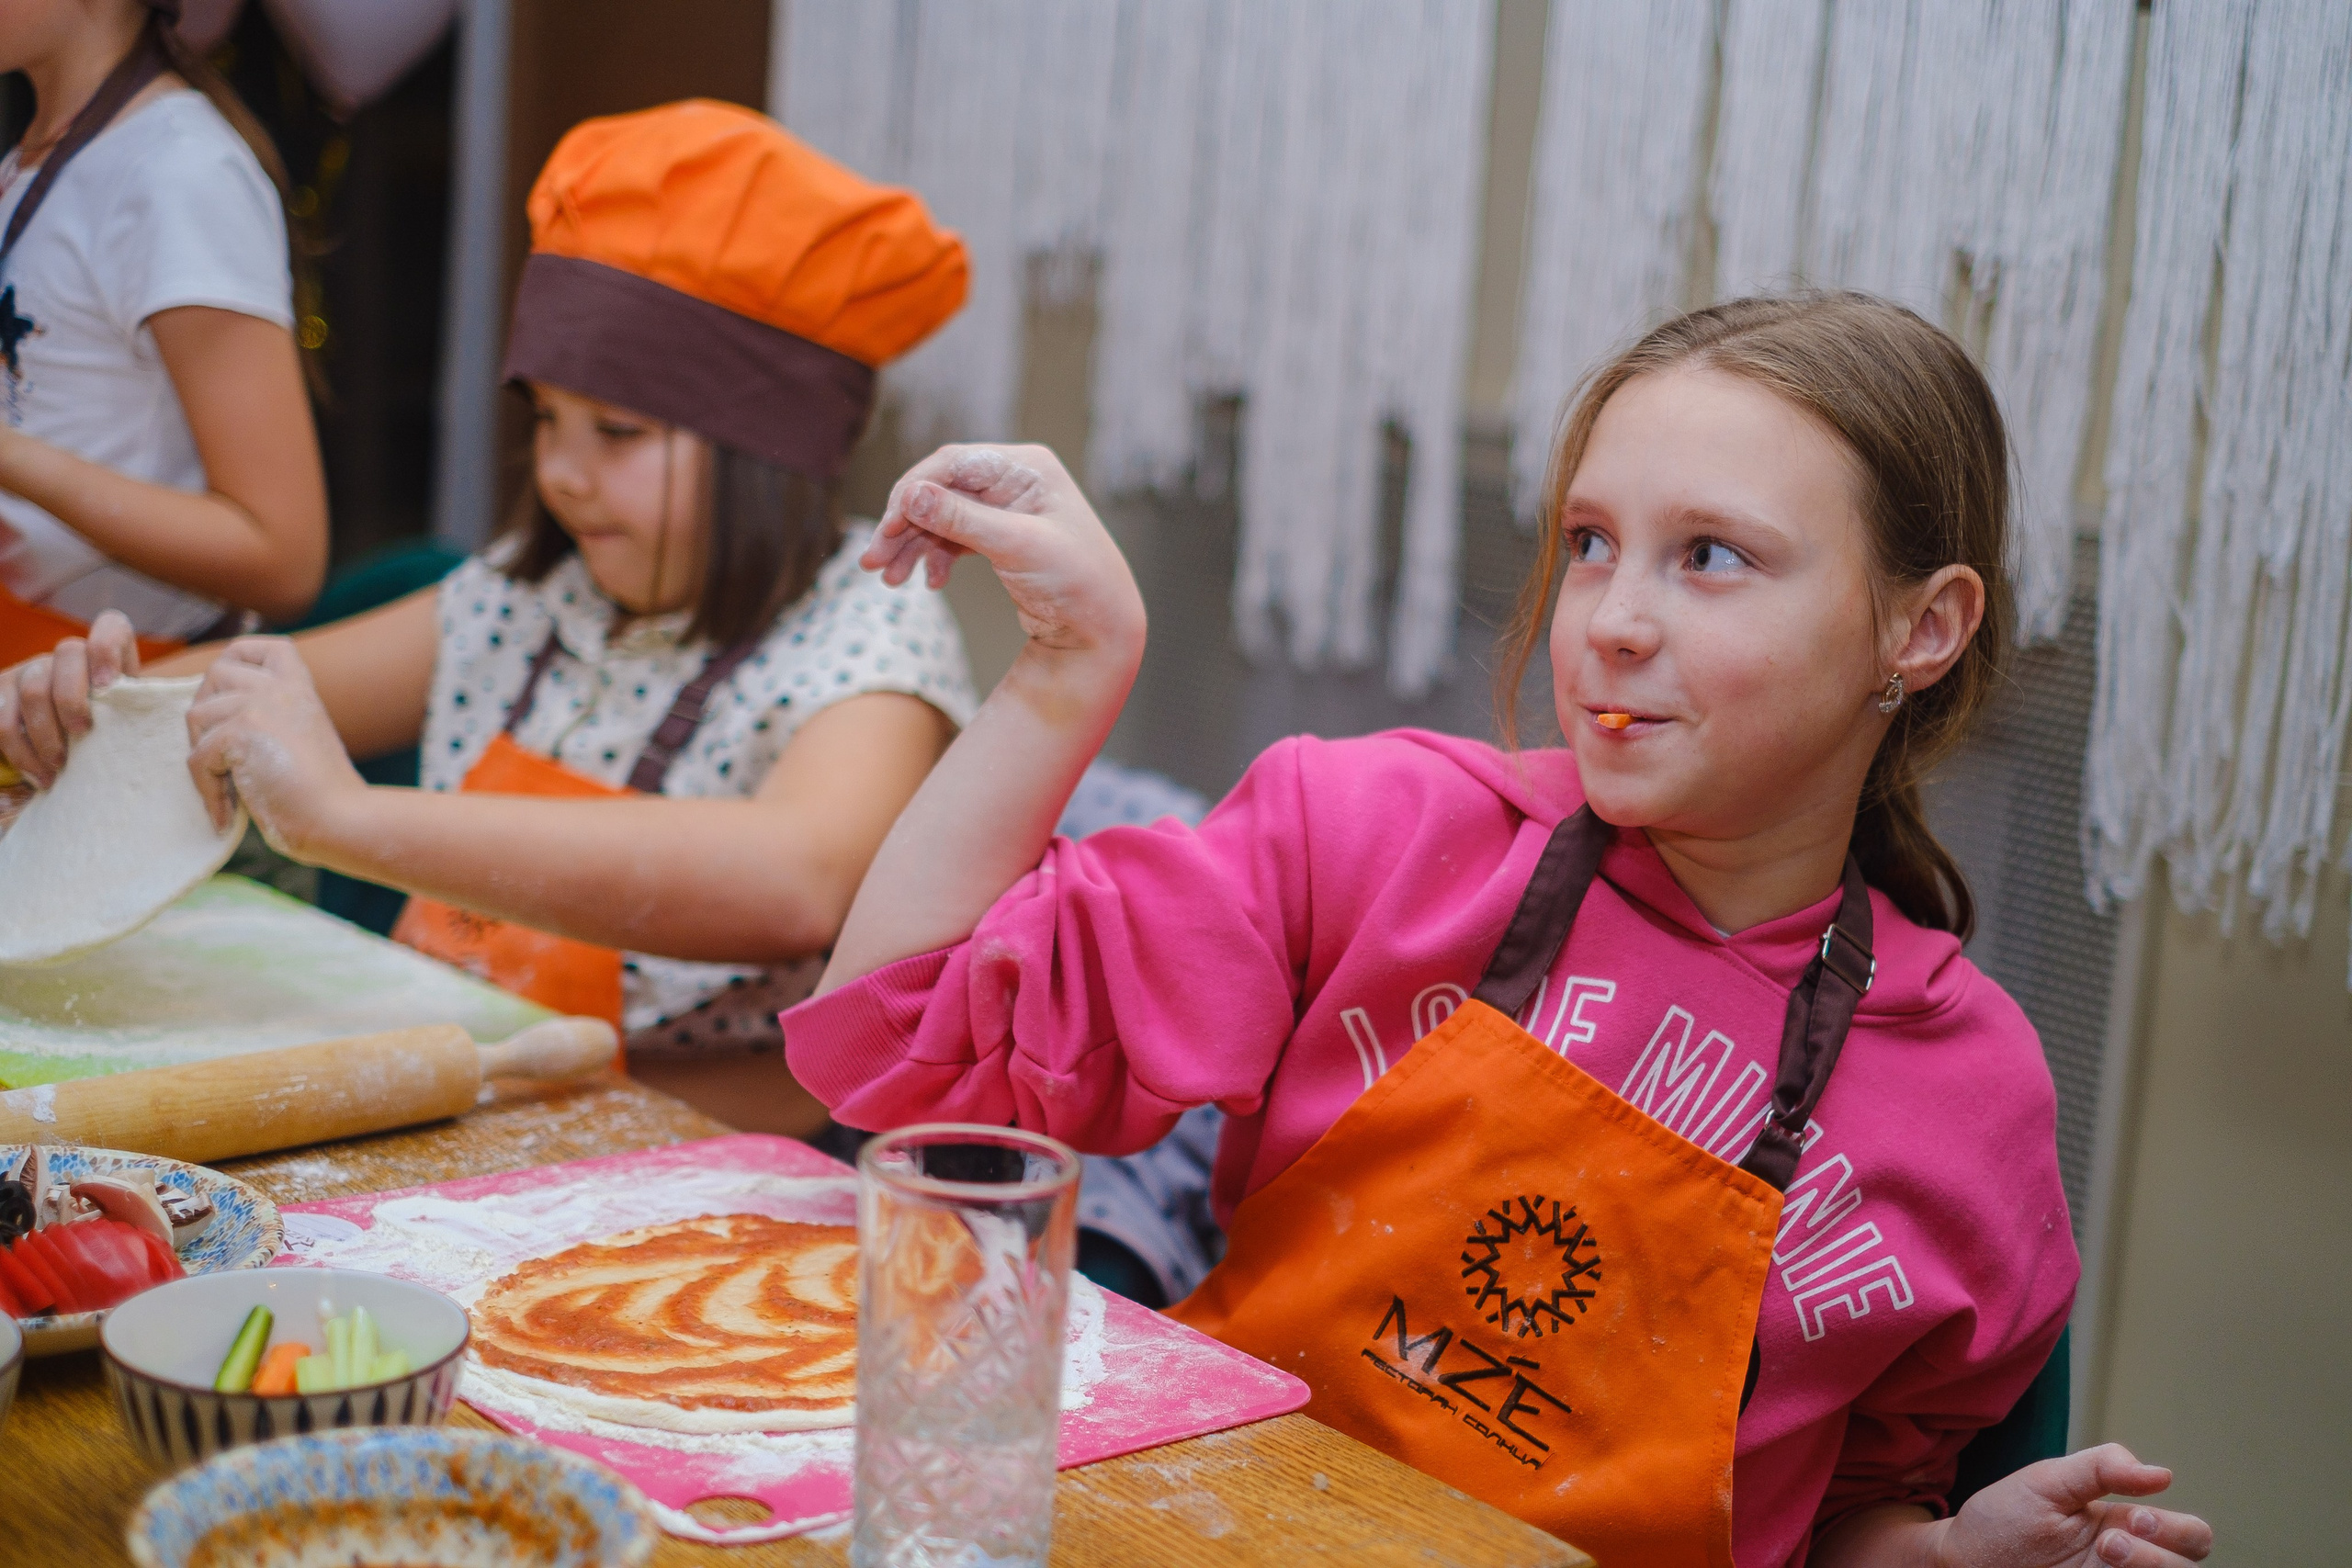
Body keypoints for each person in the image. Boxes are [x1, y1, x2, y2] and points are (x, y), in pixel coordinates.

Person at [781, 295, 2212, 1566]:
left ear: (1923, 628)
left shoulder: (1975, 1098)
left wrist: (1946, 1551)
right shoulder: (1370, 836)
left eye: (1711, 555)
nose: (1614, 620)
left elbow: (1838, 1517)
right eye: (1591, 543)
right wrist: (1066, 669)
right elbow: (891, 1048)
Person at [0, 100, 976, 1131]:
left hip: (692, 1141)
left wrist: (349, 820)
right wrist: (79, 709)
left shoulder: (870, 626)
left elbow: (797, 880)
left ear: (767, 453)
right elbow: (248, 697)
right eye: (547, 419)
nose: (562, 473)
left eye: (616, 431)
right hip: (463, 1091)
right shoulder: (532, 592)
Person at [0, 0, 327, 664]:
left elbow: (282, 558)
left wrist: (13, 459)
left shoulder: (181, 173)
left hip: (117, 690)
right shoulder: (29, 159)